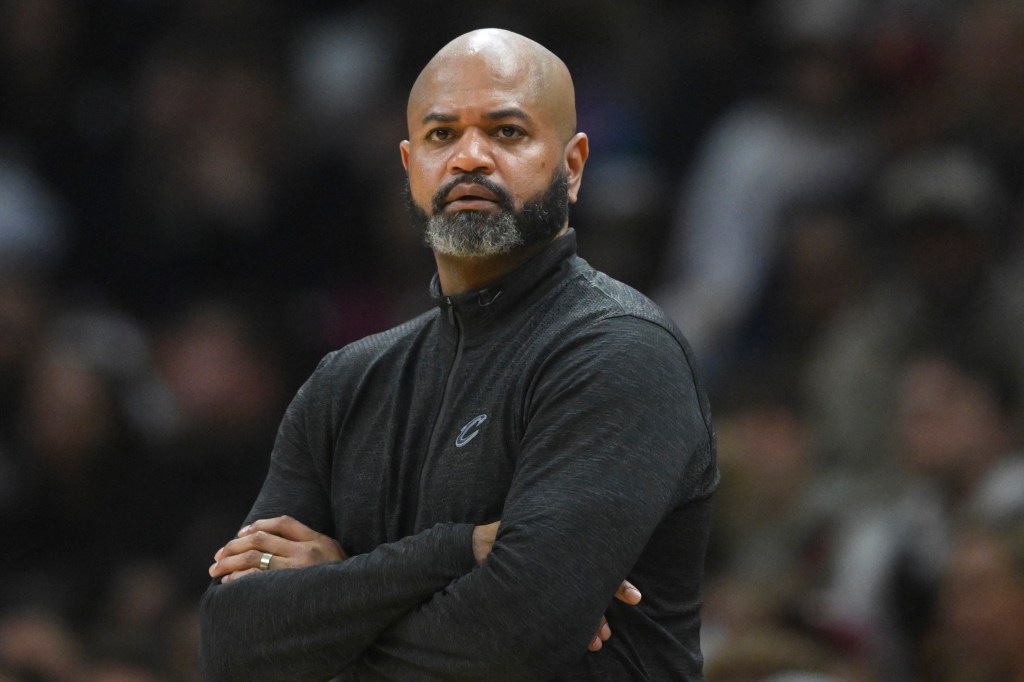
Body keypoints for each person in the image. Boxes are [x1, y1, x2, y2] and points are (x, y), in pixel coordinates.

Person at [199, 28, 718, 681]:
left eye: (506, 132)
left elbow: (512, 639)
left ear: (573, 165)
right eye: (443, 135)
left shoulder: (619, 350)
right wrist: (456, 552)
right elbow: (233, 640)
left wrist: (335, 598)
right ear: (410, 166)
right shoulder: (345, 383)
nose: (470, 157)